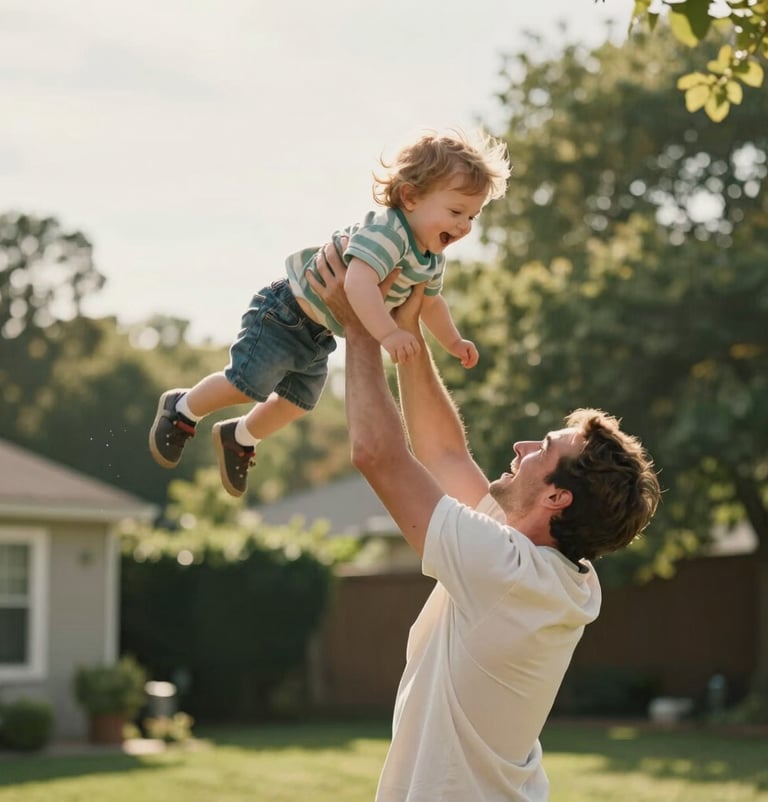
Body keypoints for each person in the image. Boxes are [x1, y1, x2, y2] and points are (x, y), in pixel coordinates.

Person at [306, 243, 661, 802]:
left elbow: (378, 453)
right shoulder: (547, 566)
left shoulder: (508, 573)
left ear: (557, 498)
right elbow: (444, 453)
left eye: (541, 449)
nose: (521, 446)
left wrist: (357, 328)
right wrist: (407, 334)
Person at [148, 129, 510, 497]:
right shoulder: (388, 233)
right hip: (285, 313)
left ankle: (238, 437)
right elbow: (357, 284)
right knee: (247, 383)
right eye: (455, 212)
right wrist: (388, 334)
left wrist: (453, 341)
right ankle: (183, 408)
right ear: (411, 196)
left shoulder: (431, 257)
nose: (464, 225)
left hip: (318, 333)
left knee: (297, 403)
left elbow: (431, 303)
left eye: (472, 216)